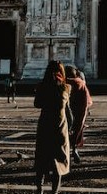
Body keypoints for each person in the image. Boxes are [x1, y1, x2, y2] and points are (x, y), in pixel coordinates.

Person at [33, 60, 71, 194]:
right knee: (59, 161)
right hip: (60, 127)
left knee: (42, 159)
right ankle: (54, 192)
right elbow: (68, 111)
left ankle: (39, 190)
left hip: (45, 126)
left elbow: (37, 104)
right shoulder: (65, 88)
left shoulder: (42, 86)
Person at [67, 67, 92, 163]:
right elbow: (86, 99)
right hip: (77, 111)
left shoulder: (63, 83)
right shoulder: (80, 82)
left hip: (65, 111)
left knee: (64, 132)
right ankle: (74, 149)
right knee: (77, 130)